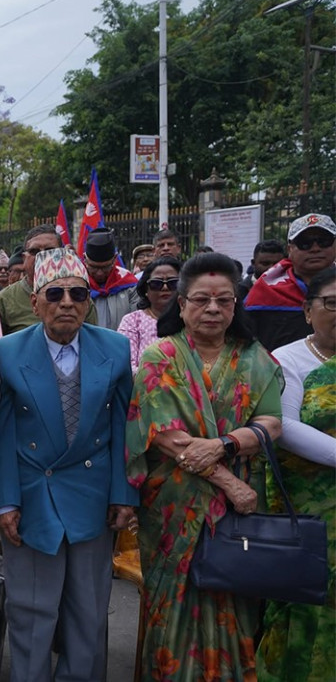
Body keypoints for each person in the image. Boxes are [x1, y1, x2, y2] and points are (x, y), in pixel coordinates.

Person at [125, 252, 284, 680]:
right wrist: (231, 483)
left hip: (239, 515)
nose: (212, 309)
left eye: (223, 300)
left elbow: (271, 423)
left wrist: (224, 445)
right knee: (173, 607)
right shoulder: (162, 356)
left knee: (237, 598)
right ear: (181, 304)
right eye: (200, 300)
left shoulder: (255, 357)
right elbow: (164, 435)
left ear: (236, 305)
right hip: (174, 506)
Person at [0, 248, 137, 682]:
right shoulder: (7, 353)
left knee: (89, 614)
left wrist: (124, 494)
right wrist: (5, 503)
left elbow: (123, 424)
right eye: (55, 293)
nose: (66, 302)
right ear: (35, 301)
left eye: (77, 293)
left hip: (94, 497)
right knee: (32, 614)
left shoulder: (115, 347)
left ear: (89, 300)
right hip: (34, 497)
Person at [257, 267, 336, 681]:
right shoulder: (288, 359)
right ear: (308, 311)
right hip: (310, 508)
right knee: (307, 604)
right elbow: (284, 428)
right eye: (332, 302)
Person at [246, 214, 336, 351]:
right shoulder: (267, 289)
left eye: (323, 241)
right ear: (290, 249)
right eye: (305, 243)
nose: (315, 248)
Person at [0, 224, 97, 335]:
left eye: (50, 250)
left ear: (61, 254)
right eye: (34, 251)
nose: (42, 256)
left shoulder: (78, 297)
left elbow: (91, 340)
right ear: (24, 258)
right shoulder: (2, 301)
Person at [116, 257, 182, 372]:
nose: (165, 287)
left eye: (173, 283)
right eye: (156, 284)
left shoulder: (190, 320)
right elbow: (125, 365)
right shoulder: (132, 321)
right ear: (146, 289)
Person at [82, 227, 139, 331]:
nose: (99, 273)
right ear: (85, 259)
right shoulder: (76, 286)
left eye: (105, 267)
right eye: (94, 267)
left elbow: (136, 324)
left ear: (115, 259)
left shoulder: (130, 285)